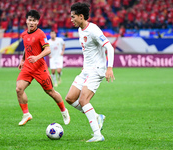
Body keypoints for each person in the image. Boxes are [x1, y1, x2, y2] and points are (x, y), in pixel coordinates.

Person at [65, 2, 115, 142]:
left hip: (97, 70)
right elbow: (89, 51)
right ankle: (97, 116)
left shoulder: (93, 30)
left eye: (73, 17)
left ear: (81, 16)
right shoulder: (80, 29)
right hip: (86, 70)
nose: (71, 19)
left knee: (83, 100)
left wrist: (109, 68)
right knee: (70, 98)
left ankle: (98, 135)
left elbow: (109, 47)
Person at [16, 10, 70, 126]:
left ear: (37, 22)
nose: (31, 22)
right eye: (29, 20)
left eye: (34, 21)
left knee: (50, 92)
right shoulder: (24, 34)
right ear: (26, 21)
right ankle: (26, 114)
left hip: (40, 68)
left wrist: (37, 57)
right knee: (19, 89)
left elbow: (47, 49)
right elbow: (27, 48)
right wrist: (22, 60)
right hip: (28, 67)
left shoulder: (41, 34)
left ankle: (64, 111)